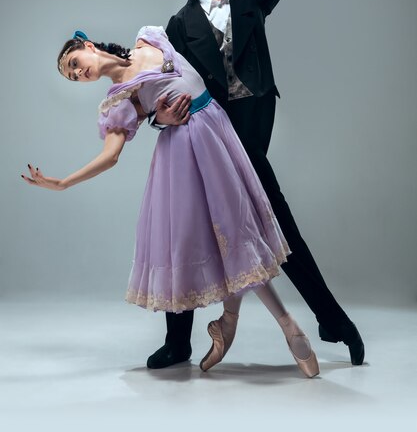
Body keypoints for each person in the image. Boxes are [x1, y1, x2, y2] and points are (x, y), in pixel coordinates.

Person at [148, 0, 385, 369]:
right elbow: (156, 86)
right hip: (207, 133)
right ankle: (182, 340)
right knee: (196, 226)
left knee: (264, 220)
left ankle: (329, 318)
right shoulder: (176, 26)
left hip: (252, 123)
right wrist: (158, 117)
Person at [22, 25, 321, 377]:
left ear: (88, 46)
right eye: (72, 76)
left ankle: (227, 322)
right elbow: (110, 156)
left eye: (74, 62)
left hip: (217, 131)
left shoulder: (149, 37)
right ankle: (289, 327)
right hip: (184, 155)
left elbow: (200, 67)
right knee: (226, 238)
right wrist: (64, 183)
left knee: (235, 233)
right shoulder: (120, 101)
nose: (77, 73)